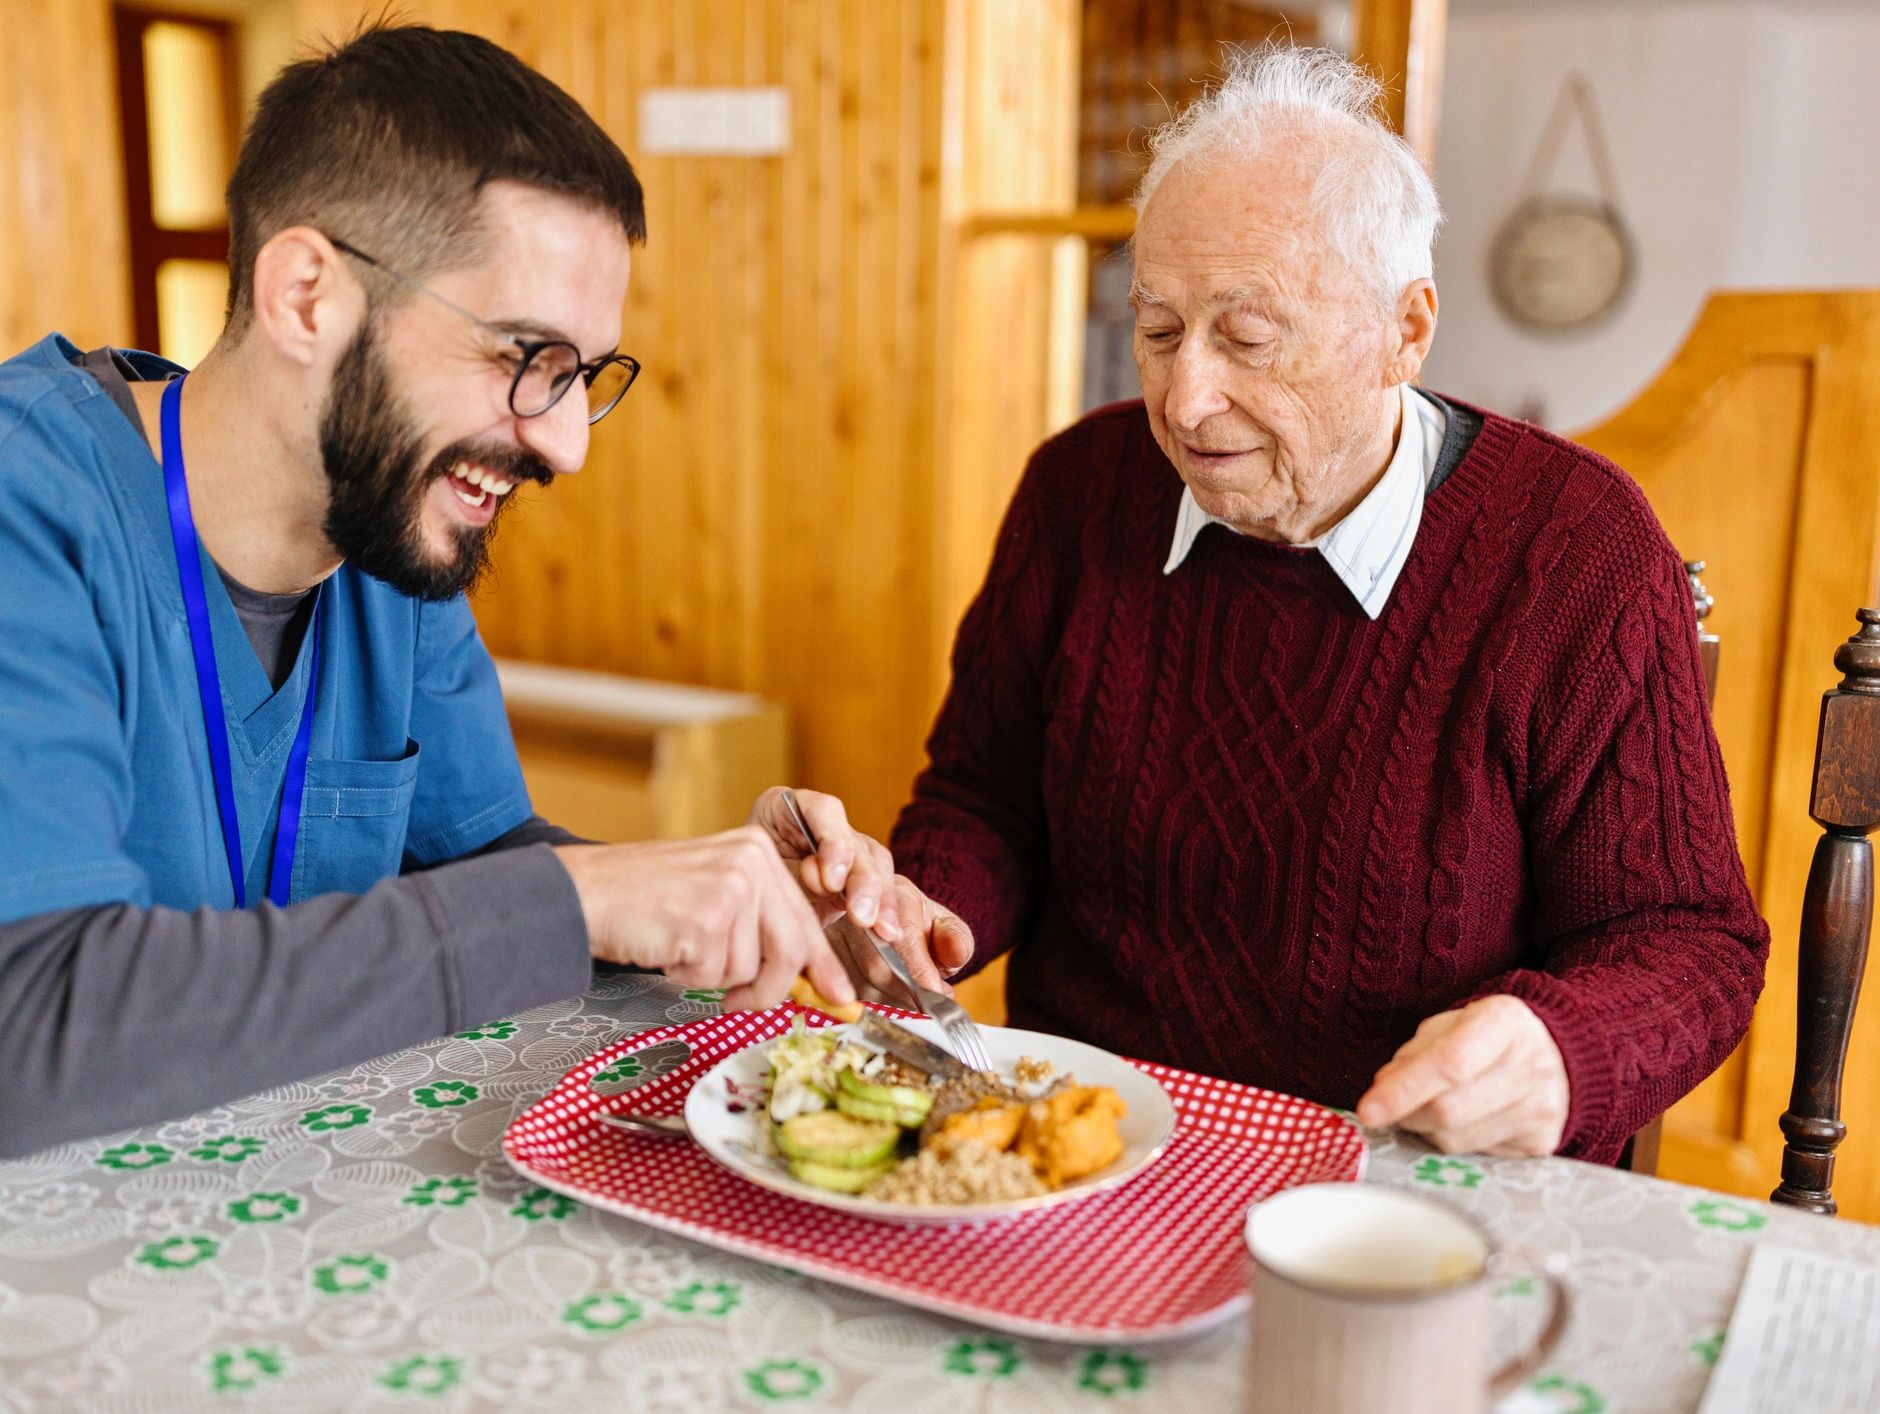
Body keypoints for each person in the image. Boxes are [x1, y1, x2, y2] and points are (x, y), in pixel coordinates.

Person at [0, 25, 924, 1158]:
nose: (569, 445)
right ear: (305, 295)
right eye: (525, 357)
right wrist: (581, 899)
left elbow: (482, 872)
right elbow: (34, 1029)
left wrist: (714, 897)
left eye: (583, 376)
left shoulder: (391, 534)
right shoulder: (27, 501)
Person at [882, 45, 1770, 1164]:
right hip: (1089, 1148)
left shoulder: (1573, 550)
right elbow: (984, 798)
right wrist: (924, 915)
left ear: (1405, 330)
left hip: (1402, 1182)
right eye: (1156, 331)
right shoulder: (1078, 489)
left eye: (1247, 340)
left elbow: (1689, 941)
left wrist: (1558, 1046)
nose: (1186, 398)